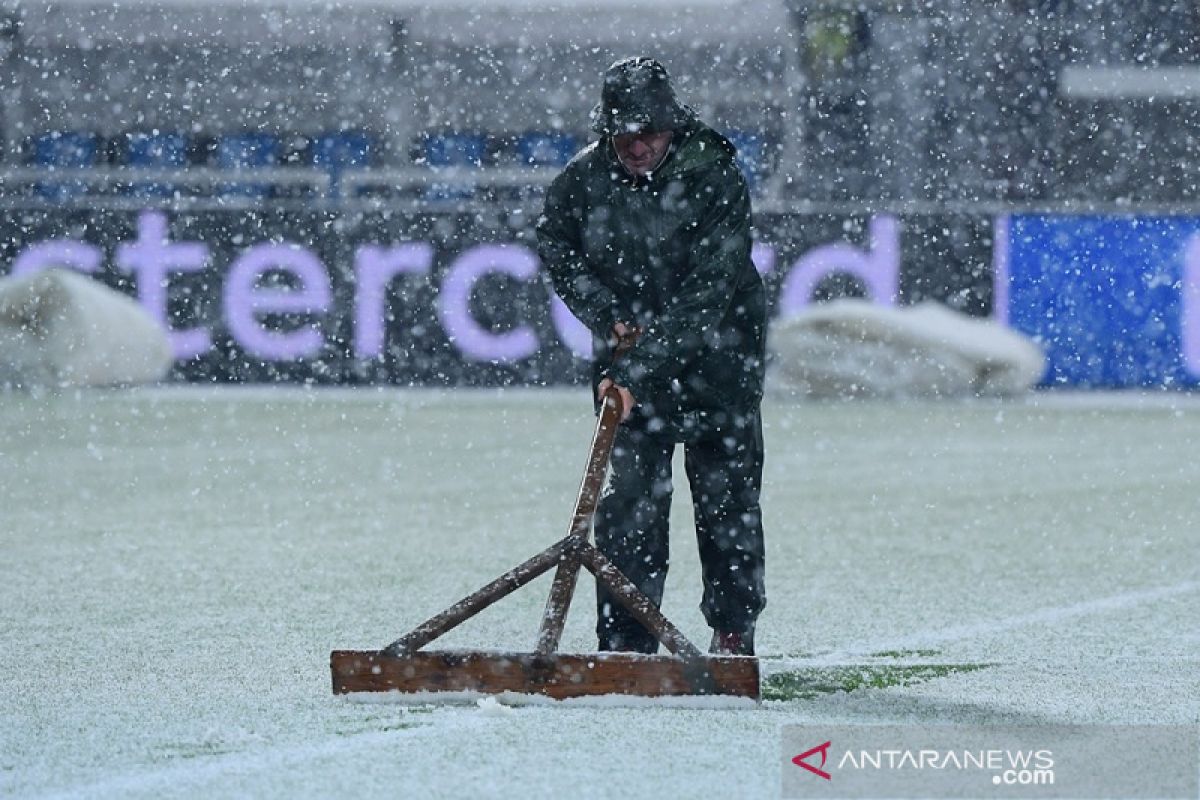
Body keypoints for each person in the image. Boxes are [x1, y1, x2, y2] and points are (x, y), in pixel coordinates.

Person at [536, 56, 767, 656]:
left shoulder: (716, 177)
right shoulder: (582, 181)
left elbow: (707, 298)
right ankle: (626, 643)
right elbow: (555, 244)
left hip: (720, 364)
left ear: (671, 125)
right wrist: (605, 313)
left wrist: (635, 367)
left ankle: (733, 632)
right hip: (634, 366)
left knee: (727, 505)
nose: (636, 146)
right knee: (632, 506)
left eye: (648, 132)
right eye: (623, 133)